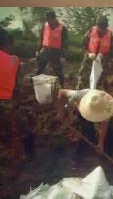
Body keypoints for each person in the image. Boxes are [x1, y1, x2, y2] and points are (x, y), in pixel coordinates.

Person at [58, 89, 113, 169]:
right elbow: (62, 92)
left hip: (101, 109)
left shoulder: (106, 105)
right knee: (88, 132)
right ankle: (78, 158)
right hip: (83, 111)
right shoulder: (79, 95)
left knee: (111, 130)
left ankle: (106, 155)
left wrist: (100, 142)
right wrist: (61, 113)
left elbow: (104, 125)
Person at [0, 28, 34, 161]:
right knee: (23, 129)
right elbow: (17, 88)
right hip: (6, 102)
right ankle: (29, 156)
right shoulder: (14, 60)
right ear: (6, 44)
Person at [77, 17, 113, 90]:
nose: (102, 30)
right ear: (97, 26)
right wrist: (88, 54)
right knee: (83, 79)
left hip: (102, 61)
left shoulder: (110, 34)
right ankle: (80, 94)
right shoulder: (91, 31)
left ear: (106, 27)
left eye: (104, 28)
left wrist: (104, 56)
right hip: (89, 59)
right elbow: (83, 45)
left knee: (99, 82)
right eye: (100, 27)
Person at [36, 11, 68, 87]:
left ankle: (62, 86)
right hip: (45, 50)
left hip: (56, 52)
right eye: (47, 19)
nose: (48, 21)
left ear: (54, 18)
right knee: (39, 68)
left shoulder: (62, 28)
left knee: (58, 70)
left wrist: (63, 55)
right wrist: (38, 50)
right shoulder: (45, 25)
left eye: (49, 19)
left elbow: (64, 43)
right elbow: (41, 39)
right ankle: (35, 85)